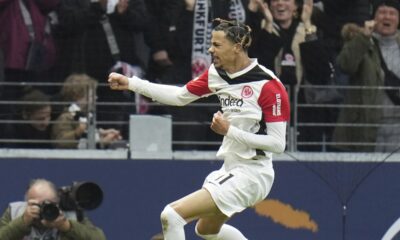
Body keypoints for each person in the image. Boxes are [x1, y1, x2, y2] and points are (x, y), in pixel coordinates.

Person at [108, 18, 290, 240]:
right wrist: (132, 83)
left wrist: (230, 131)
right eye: (211, 43)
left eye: (217, 45)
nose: (210, 50)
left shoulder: (269, 86)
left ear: (237, 47)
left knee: (171, 215)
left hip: (253, 173)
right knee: (206, 230)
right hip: (231, 168)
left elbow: (278, 144)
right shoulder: (217, 74)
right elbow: (179, 96)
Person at [332, 0, 400, 152]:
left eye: (392, 13)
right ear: (373, 17)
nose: (387, 17)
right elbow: (345, 65)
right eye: (382, 12)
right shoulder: (361, 40)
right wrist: (363, 37)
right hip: (367, 126)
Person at [0, 178, 106, 240]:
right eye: (37, 204)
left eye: (49, 204)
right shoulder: (15, 211)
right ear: (27, 202)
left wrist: (66, 227)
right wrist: (22, 222)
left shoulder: (69, 216)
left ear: (58, 202)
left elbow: (99, 238)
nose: (44, 209)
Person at [52, 73, 121, 149]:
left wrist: (102, 136)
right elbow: (61, 143)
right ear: (77, 96)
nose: (96, 98)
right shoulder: (66, 118)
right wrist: (77, 132)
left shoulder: (85, 116)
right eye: (92, 95)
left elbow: (85, 142)